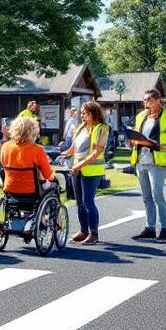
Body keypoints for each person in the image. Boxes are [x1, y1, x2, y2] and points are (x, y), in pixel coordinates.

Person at [129, 89, 166, 242]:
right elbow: (136, 135)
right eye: (144, 100)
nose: (146, 103)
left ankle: (165, 229)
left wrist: (164, 146)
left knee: (158, 196)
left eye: (148, 100)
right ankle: (150, 228)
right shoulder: (141, 116)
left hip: (157, 162)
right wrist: (133, 140)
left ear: (157, 100)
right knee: (146, 197)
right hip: (141, 161)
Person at [67, 101, 109, 245]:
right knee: (79, 202)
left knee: (88, 201)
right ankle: (83, 230)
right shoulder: (80, 128)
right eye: (82, 113)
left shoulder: (101, 128)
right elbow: (73, 148)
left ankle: (94, 233)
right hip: (77, 169)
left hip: (92, 170)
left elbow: (97, 151)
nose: (82, 115)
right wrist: (61, 154)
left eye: (84, 113)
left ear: (93, 113)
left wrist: (80, 164)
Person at [0, 116, 56, 196]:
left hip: (10, 188)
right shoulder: (37, 149)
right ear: (32, 131)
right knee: (55, 185)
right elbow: (48, 175)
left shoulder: (5, 147)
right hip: (31, 191)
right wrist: (53, 176)